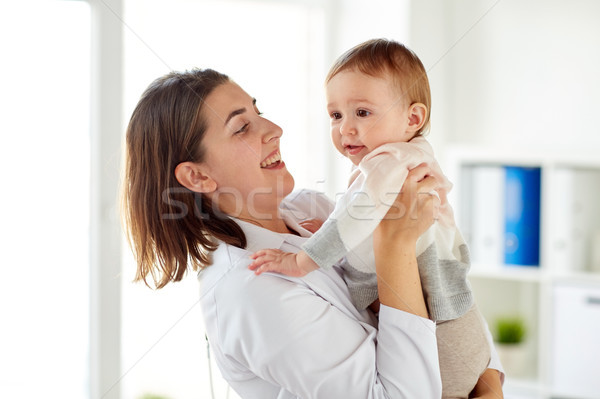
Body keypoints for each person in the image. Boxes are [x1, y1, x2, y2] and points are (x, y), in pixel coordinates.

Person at [122, 67, 504, 398]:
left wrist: (489, 379)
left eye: (260, 112)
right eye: (242, 127)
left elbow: (446, 286)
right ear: (197, 176)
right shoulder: (251, 290)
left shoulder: (315, 209)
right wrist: (395, 244)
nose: (274, 130)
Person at [249, 39, 499, 398]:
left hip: (442, 338)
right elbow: (365, 219)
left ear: (413, 118)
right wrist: (336, 233)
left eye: (362, 113)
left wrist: (301, 260)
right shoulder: (408, 156)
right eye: (335, 115)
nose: (345, 129)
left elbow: (359, 213)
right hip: (462, 329)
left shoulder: (388, 162)